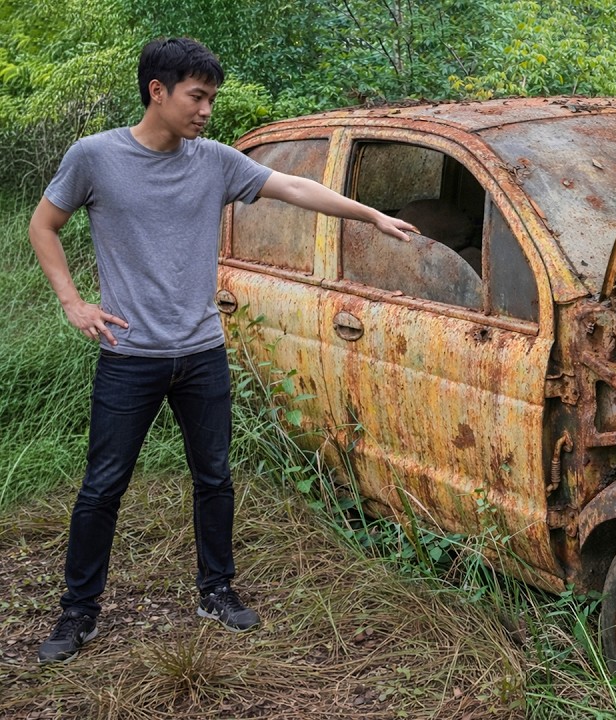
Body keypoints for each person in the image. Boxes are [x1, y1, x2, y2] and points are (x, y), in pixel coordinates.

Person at [28, 37, 418, 664]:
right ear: (157, 91)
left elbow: (292, 186)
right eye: (197, 96)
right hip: (130, 356)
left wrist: (370, 215)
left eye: (211, 97)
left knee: (214, 477)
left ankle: (216, 590)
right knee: (103, 485)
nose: (207, 110)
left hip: (203, 351)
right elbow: (43, 224)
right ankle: (78, 613)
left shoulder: (214, 161)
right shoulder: (94, 158)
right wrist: (73, 302)